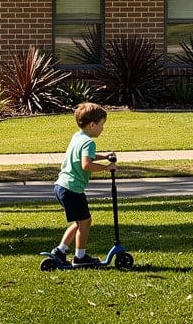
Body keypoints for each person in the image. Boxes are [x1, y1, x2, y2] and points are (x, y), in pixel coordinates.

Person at [49, 102, 117, 266]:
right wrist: (107, 168)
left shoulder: (77, 137)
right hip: (72, 189)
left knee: (80, 222)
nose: (103, 129)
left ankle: (60, 251)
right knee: (85, 222)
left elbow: (85, 156)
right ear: (93, 125)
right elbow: (86, 164)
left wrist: (104, 156)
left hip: (62, 186)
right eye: (102, 125)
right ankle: (80, 257)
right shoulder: (89, 142)